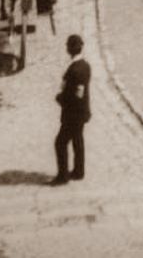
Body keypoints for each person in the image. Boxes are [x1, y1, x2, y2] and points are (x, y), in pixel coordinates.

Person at [52, 34, 91, 184]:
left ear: (70, 49)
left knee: (60, 142)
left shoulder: (74, 69)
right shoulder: (86, 65)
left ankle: (62, 176)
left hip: (72, 113)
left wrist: (61, 98)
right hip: (82, 112)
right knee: (77, 139)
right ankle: (78, 171)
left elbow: (77, 93)